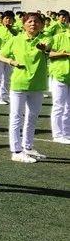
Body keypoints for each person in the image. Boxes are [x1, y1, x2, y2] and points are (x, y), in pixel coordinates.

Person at [0, 12, 52, 162]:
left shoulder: (45, 39)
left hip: (37, 85)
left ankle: (28, 147)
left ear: (41, 25)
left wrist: (45, 48)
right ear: (23, 24)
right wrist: (11, 61)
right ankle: (16, 150)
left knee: (32, 117)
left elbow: (48, 48)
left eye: (36, 22)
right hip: (19, 84)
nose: (33, 24)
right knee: (16, 117)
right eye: (30, 22)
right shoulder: (16, 40)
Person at [48, 12, 69, 143]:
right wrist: (64, 53)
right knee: (59, 106)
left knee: (69, 107)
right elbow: (48, 53)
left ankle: (66, 132)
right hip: (60, 74)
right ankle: (57, 134)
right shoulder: (59, 37)